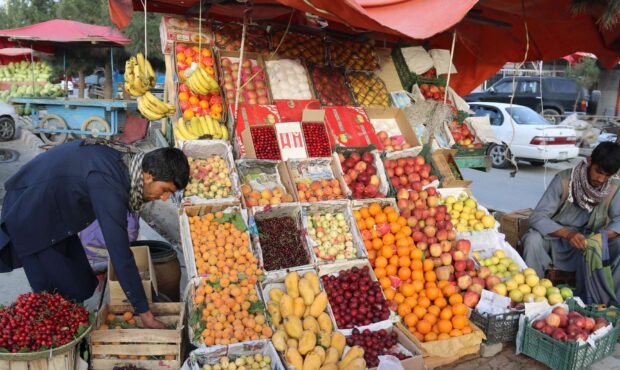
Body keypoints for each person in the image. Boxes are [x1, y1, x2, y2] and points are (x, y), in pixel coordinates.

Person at [0, 139, 189, 329]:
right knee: (52, 297)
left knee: (79, 283)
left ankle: (72, 324)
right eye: (165, 190)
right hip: (31, 213)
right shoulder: (109, 183)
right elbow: (119, 252)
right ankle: (62, 342)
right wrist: (145, 313)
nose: (164, 198)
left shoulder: (126, 165)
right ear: (149, 175)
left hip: (56, 212)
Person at [522, 142, 620, 300]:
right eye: (598, 172)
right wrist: (568, 234)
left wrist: (600, 237)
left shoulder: (614, 187)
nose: (601, 179)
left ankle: (610, 303)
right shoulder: (564, 179)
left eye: (607, 175)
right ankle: (534, 296)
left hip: (589, 242)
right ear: (589, 161)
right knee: (532, 239)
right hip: (557, 238)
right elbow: (537, 216)